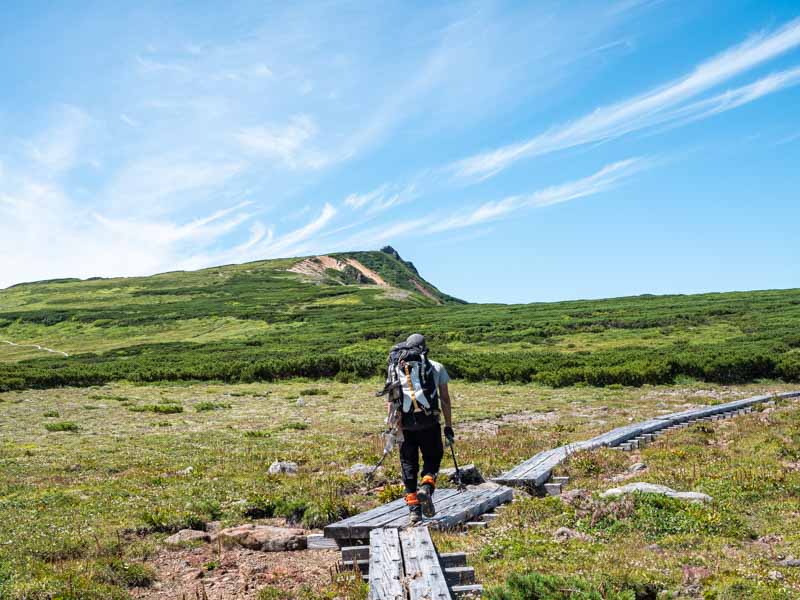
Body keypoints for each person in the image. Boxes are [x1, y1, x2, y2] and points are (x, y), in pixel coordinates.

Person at [388, 333, 454, 524]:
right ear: (425, 348)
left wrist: (393, 425)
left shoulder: (396, 367)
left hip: (405, 424)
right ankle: (426, 486)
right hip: (430, 422)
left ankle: (414, 511)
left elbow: (391, 400)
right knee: (433, 458)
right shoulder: (436, 367)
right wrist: (448, 425)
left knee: (408, 465)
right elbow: (445, 399)